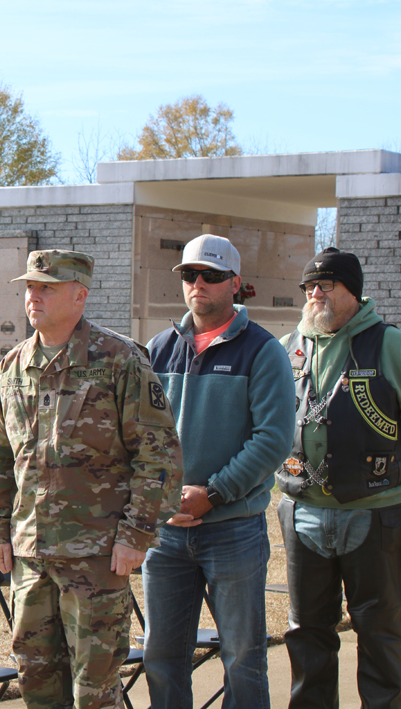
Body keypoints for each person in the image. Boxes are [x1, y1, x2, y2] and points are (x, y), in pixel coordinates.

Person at [0, 249, 182, 709]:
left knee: (95, 692)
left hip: (98, 557)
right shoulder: (12, 368)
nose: (33, 295)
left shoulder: (120, 360)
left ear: (79, 296)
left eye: (46, 288)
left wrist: (136, 535)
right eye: (30, 287)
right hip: (30, 556)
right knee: (36, 684)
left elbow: (159, 455)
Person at [143, 234, 294, 709]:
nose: (198, 284)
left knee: (243, 659)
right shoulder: (159, 349)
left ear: (235, 283)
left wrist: (214, 492)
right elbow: (140, 436)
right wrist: (162, 499)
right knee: (162, 657)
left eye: (210, 275)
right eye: (189, 275)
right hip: (166, 534)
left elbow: (272, 440)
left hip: (233, 530)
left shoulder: (263, 351)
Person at [276, 247, 401, 709]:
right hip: (303, 512)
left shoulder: (390, 344)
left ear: (353, 290)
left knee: (379, 633)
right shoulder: (291, 343)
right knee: (306, 633)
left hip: (374, 514)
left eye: (325, 284)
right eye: (309, 285)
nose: (314, 293)